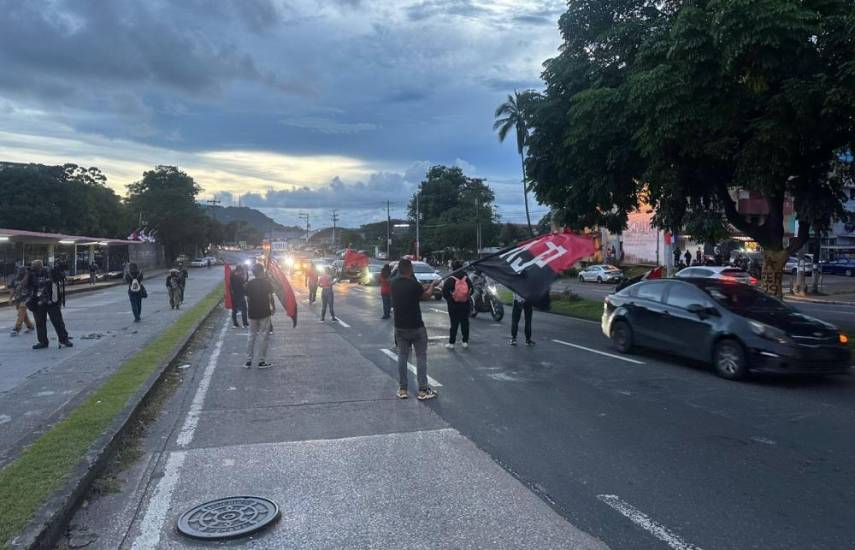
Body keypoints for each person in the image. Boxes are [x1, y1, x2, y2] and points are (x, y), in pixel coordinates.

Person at [391, 258, 438, 400]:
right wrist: (433, 285)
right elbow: (427, 296)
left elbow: (416, 290)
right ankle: (423, 390)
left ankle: (403, 389)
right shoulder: (414, 284)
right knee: (421, 357)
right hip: (416, 327)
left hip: (400, 327)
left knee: (402, 357)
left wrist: (425, 286)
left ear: (399, 270)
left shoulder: (393, 284)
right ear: (410, 270)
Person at [25, 260, 72, 349]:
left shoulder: (49, 272)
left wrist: (59, 271)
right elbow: (24, 285)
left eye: (35, 266)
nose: (33, 268)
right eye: (32, 266)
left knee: (58, 321)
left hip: (51, 302)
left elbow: (62, 278)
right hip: (38, 303)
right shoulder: (30, 275)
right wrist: (27, 274)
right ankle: (43, 342)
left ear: (40, 266)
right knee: (40, 323)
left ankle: (64, 339)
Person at [245, 263, 275, 368]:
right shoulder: (267, 283)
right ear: (261, 272)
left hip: (252, 312)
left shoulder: (249, 284)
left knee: (251, 336)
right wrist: (273, 308)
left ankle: (248, 361)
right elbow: (270, 297)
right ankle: (261, 361)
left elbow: (247, 299)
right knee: (263, 336)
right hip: (264, 312)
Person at [442, 261, 472, 349]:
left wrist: (450, 299)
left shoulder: (450, 279)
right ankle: (465, 342)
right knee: (465, 323)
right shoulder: (466, 278)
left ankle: (452, 343)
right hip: (465, 304)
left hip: (453, 305)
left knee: (454, 324)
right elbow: (472, 290)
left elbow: (445, 293)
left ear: (452, 268)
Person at [9, 267, 34, 337]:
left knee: (21, 312)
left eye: (23, 271)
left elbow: (29, 285)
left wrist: (27, 276)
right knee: (23, 314)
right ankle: (30, 326)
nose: (21, 272)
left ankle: (17, 328)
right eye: (20, 271)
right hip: (18, 299)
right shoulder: (14, 280)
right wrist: (10, 298)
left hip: (26, 298)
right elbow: (13, 289)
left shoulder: (29, 278)